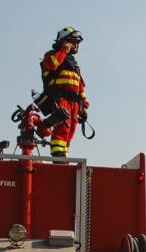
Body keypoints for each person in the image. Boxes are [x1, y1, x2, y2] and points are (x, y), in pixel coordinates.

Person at [40, 27, 88, 157]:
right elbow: (51, 64)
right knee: (62, 130)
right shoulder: (52, 55)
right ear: (64, 41)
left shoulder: (73, 63)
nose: (76, 45)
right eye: (73, 42)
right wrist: (64, 50)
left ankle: (64, 157)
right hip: (60, 99)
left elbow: (80, 84)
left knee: (70, 132)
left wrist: (83, 104)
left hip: (74, 103)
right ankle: (58, 158)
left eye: (77, 43)